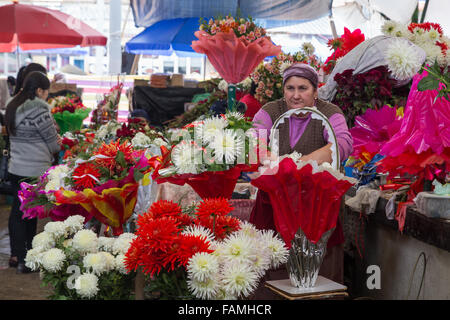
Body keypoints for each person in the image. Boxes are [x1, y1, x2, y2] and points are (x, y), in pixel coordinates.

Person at [249, 63, 353, 298]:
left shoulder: (329, 112)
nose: (296, 95)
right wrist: (275, 160)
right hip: (275, 207)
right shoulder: (271, 110)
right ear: (283, 90)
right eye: (290, 88)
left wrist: (298, 164)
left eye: (303, 88)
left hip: (317, 206)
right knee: (273, 268)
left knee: (317, 271)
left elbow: (342, 144)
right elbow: (253, 141)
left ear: (316, 91)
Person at [5, 71, 61, 273]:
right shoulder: (39, 110)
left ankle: (17, 255)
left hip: (16, 168)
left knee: (18, 212)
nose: (47, 95)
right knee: (30, 213)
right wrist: (59, 141)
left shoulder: (13, 106)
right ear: (39, 90)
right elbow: (53, 145)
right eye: (47, 91)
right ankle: (26, 258)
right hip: (34, 170)